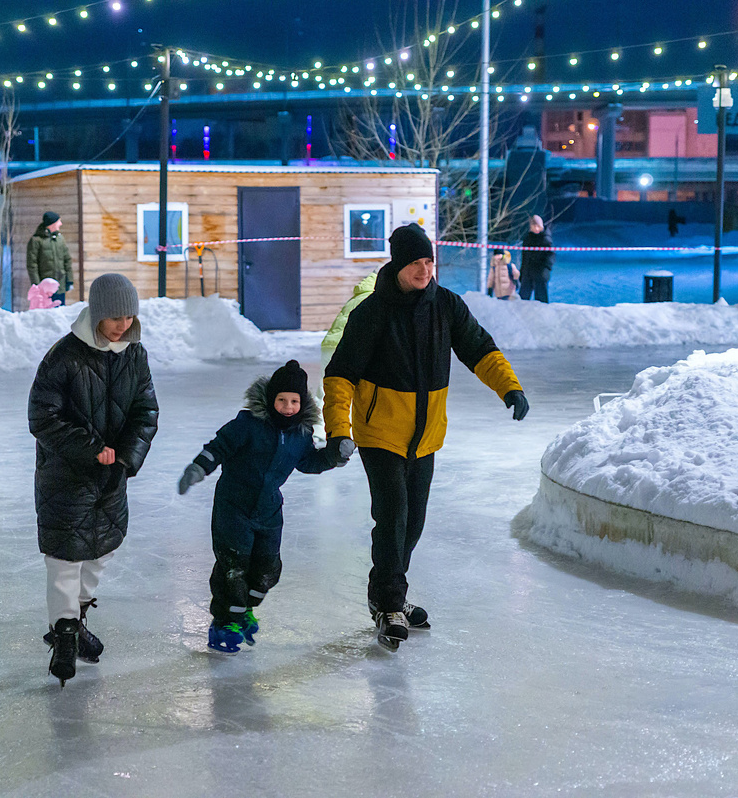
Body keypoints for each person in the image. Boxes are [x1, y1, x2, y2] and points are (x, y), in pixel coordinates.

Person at [323, 223, 529, 651]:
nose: (424, 269)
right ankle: (390, 604)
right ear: (398, 264)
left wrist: (509, 387)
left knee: (413, 523)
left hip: (425, 436)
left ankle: (386, 592)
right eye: (416, 262)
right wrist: (338, 431)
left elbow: (480, 349)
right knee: (393, 516)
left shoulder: (446, 306)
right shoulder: (372, 313)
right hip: (380, 434)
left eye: (429, 261)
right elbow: (340, 375)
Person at [28, 273, 158, 686]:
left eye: (129, 316)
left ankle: (76, 618)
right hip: (66, 476)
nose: (123, 325)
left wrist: (127, 457)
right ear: (97, 313)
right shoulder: (64, 356)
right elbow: (42, 417)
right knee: (66, 558)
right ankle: (65, 634)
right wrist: (90, 448)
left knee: (100, 551)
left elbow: (146, 412)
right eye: (115, 317)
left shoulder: (135, 355)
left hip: (111, 477)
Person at [178, 360, 354, 653]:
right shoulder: (247, 425)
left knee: (267, 569)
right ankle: (225, 623)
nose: (288, 407)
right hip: (234, 507)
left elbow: (308, 462)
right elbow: (218, 446)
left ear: (302, 403)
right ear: (271, 399)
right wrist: (199, 467)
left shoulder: (301, 434)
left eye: (294, 401)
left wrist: (334, 457)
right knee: (234, 567)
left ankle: (244, 609)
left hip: (269, 510)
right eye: (282, 400)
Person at [315, 271, 378, 445]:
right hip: (344, 348)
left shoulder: (358, 296)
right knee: (346, 391)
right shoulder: (373, 300)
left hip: (330, 345)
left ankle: (318, 430)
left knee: (325, 390)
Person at [27, 211, 73, 305]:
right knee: (48, 312)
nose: (61, 224)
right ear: (52, 224)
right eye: (59, 221)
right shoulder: (36, 240)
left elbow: (67, 260)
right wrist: (37, 285)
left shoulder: (60, 239)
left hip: (60, 286)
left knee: (60, 310)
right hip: (45, 289)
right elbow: (32, 265)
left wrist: (69, 280)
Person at [518, 215, 554, 303]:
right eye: (534, 226)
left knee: (541, 300)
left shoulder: (546, 239)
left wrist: (545, 270)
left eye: (538, 226)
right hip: (528, 272)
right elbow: (525, 257)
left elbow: (550, 256)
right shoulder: (527, 238)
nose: (536, 229)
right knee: (523, 299)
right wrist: (522, 272)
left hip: (540, 273)